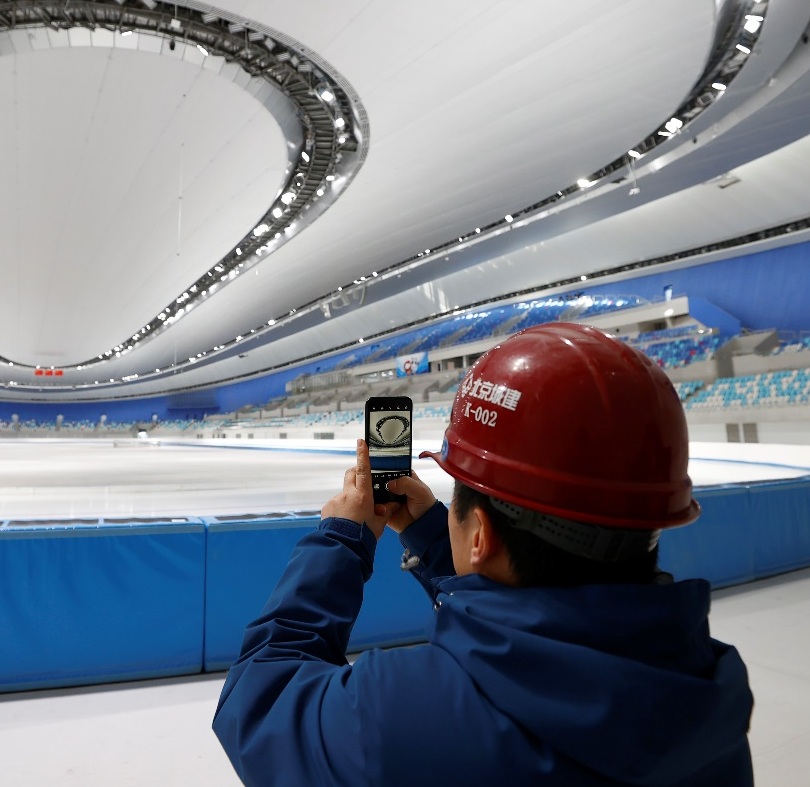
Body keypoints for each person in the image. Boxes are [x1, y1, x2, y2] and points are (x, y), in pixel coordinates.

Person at [213, 323, 754, 786]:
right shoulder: (709, 693)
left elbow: (258, 702)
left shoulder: (403, 713)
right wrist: (433, 535)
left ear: (481, 537)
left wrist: (341, 539)